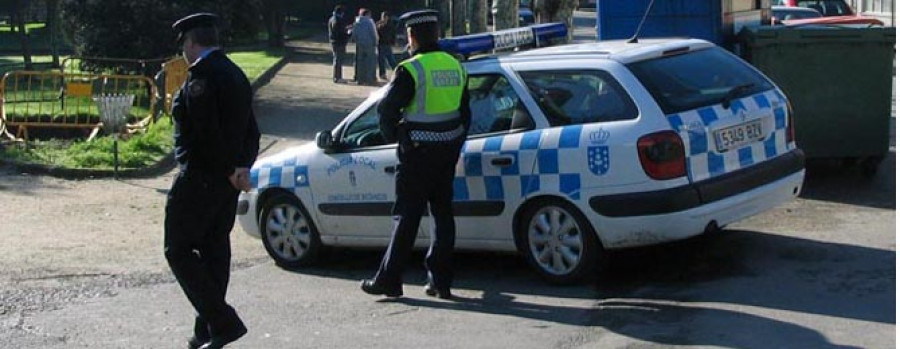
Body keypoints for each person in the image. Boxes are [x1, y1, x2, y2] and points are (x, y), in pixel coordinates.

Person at [360, 9, 470, 300]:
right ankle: (440, 281)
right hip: (447, 152)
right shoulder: (456, 66)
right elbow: (465, 114)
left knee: (406, 216)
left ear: (412, 36)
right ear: (435, 34)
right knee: (443, 216)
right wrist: (454, 144)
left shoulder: (411, 69)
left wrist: (398, 138)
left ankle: (390, 279)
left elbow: (385, 110)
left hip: (417, 155)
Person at [165, 13, 260, 349]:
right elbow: (251, 130)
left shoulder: (202, 77)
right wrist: (241, 168)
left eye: (184, 46)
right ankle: (206, 331)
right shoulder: (234, 72)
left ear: (191, 42)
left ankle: (222, 321)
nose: (184, 52)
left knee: (177, 249)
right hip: (227, 180)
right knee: (213, 249)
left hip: (201, 177)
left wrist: (228, 168)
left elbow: (206, 133)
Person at [351, 8, 378, 86]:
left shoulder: (356, 22)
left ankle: (360, 79)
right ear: (367, 14)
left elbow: (354, 33)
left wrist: (355, 40)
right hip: (369, 44)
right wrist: (375, 41)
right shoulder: (369, 22)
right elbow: (373, 33)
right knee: (370, 62)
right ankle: (369, 79)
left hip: (359, 44)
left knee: (360, 62)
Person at [328, 5, 350, 83]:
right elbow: (339, 32)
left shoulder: (332, 19)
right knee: (338, 60)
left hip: (334, 42)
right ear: (341, 13)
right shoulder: (337, 20)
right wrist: (348, 33)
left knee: (337, 59)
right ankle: (338, 77)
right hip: (339, 42)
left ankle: (337, 77)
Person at [375, 11, 398, 81]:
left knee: (390, 59)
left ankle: (396, 72)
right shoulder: (381, 24)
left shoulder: (388, 25)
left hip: (385, 44)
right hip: (382, 44)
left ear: (387, 17)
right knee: (382, 60)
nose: (383, 18)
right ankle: (383, 74)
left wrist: (393, 42)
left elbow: (393, 34)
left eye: (384, 16)